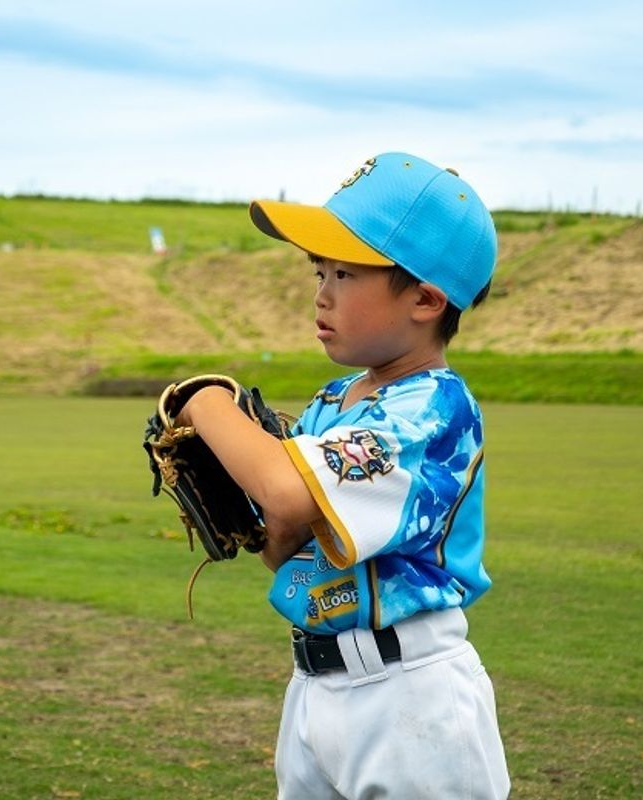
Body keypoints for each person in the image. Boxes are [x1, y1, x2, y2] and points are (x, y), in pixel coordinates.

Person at [177, 152, 510, 799]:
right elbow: (281, 542)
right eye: (320, 270)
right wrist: (271, 512)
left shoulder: (432, 408)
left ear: (425, 298)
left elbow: (282, 492)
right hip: (314, 686)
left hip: (410, 697)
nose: (322, 292)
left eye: (347, 273)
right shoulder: (334, 401)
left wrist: (203, 397)